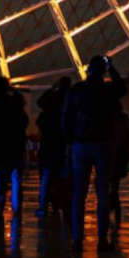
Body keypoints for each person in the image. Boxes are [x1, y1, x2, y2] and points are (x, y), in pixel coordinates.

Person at [62, 55, 126, 250]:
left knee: (79, 193)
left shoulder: (77, 90)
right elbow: (122, 89)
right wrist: (112, 68)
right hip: (103, 144)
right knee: (102, 193)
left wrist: (69, 140)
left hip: (81, 144)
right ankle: (101, 239)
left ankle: (77, 238)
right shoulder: (108, 91)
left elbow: (66, 117)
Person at [0, 77, 29, 219]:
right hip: (15, 147)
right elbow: (24, 121)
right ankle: (16, 209)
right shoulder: (15, 106)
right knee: (16, 179)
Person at [35, 77, 72, 217]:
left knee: (46, 177)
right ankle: (62, 204)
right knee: (63, 177)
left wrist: (52, 88)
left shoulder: (48, 111)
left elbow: (40, 102)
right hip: (63, 145)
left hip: (48, 145)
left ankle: (44, 206)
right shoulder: (70, 102)